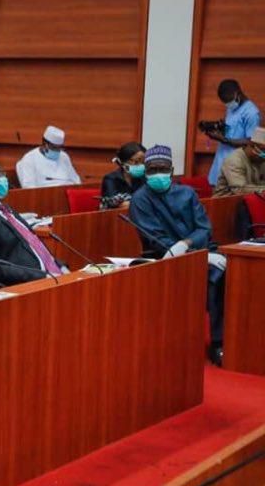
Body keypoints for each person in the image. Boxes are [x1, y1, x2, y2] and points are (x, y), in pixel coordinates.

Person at [129, 145, 226, 364]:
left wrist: (187, 244)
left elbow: (204, 228)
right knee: (215, 276)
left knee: (234, 270)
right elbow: (155, 239)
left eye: (162, 169)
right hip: (164, 258)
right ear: (145, 171)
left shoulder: (187, 193)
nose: (157, 174)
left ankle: (232, 340)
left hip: (200, 250)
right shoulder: (140, 199)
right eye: (152, 169)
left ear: (171, 171)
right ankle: (217, 342)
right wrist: (190, 253)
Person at [0, 158, 67, 289]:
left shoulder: (4, 208)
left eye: (2, 174)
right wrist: (42, 276)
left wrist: (60, 266)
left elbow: (33, 243)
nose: (3, 179)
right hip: (25, 286)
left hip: (50, 276)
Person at [203, 79, 261, 186]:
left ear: (237, 94)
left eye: (228, 101)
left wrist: (223, 139)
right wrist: (220, 131)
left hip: (235, 168)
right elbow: (232, 131)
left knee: (228, 199)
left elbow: (250, 143)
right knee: (214, 195)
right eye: (225, 102)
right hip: (220, 162)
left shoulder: (251, 113)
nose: (227, 104)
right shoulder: (231, 108)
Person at [15, 125, 81, 188]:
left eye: (60, 148)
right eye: (55, 148)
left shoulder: (64, 156)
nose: (58, 151)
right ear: (45, 144)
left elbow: (76, 181)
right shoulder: (29, 159)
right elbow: (29, 188)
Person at [214, 127, 265, 196]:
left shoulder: (261, 160)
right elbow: (240, 190)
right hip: (225, 203)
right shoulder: (234, 160)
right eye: (263, 150)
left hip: (250, 202)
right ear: (252, 146)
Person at [101, 142, 146, 209]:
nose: (141, 165)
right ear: (124, 162)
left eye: (143, 162)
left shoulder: (145, 178)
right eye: (136, 162)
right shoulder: (111, 179)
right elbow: (115, 204)